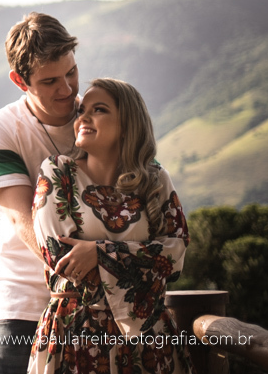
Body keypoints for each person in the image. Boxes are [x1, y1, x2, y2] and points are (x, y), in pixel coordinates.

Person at [29, 78, 191, 374]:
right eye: (81, 110)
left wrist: (99, 252)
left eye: (99, 110)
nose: (83, 118)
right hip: (75, 337)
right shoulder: (57, 172)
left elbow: (176, 254)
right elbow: (60, 257)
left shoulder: (155, 179)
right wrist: (140, 260)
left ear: (128, 125)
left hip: (149, 341)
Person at [0, 13, 82, 374]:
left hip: (101, 301)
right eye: (50, 81)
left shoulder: (104, 116)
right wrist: (77, 269)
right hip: (23, 301)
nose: (67, 89)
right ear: (20, 80)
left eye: (71, 72)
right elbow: (18, 215)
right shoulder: (0, 128)